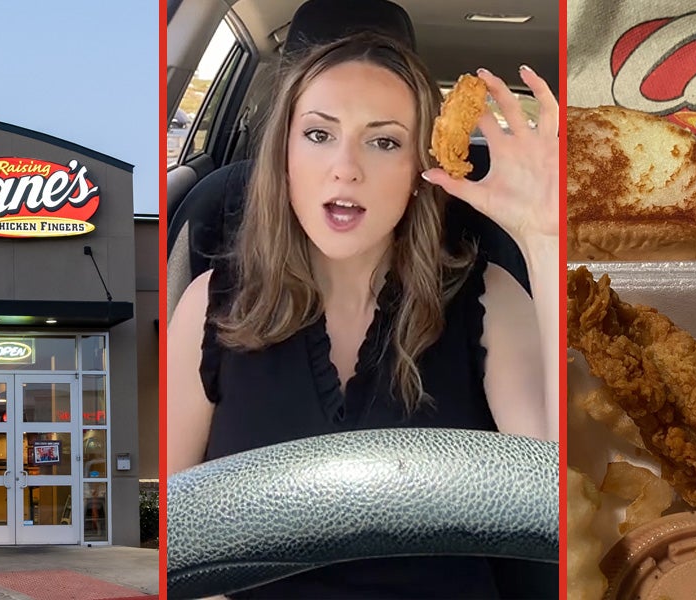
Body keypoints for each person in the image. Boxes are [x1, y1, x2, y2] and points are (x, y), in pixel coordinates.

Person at [167, 28, 558, 600]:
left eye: (384, 142)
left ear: (420, 171)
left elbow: (559, 492)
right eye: (320, 134)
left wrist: (543, 239)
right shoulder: (211, 303)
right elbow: (176, 544)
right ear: (284, 156)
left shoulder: (490, 297)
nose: (345, 168)